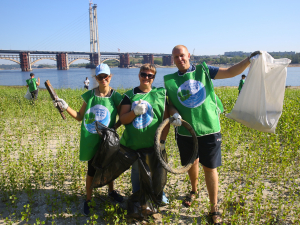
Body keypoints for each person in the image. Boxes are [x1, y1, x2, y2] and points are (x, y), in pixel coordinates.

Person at [164, 45, 260, 224]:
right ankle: (194, 190)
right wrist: (174, 113)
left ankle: (213, 206)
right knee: (191, 163)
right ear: (173, 59)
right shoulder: (169, 80)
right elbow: (169, 104)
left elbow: (231, 71)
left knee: (210, 168)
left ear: (189, 55)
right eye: (176, 57)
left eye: (182, 55)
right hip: (185, 131)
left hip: (209, 128)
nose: (180, 59)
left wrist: (248, 59)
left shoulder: (204, 70)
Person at [53, 63, 124, 216]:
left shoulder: (116, 97)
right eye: (100, 77)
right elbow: (79, 117)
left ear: (110, 77)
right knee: (91, 170)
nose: (103, 79)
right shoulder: (90, 95)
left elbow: (122, 118)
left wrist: (114, 128)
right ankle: (88, 199)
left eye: (106, 76)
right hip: (91, 139)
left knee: (109, 168)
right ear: (95, 78)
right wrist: (65, 106)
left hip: (107, 141)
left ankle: (111, 192)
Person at [119, 63, 170, 206]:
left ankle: (158, 193)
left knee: (157, 169)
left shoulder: (160, 94)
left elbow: (166, 119)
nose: (146, 78)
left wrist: (163, 140)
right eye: (143, 74)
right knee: (137, 171)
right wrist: (134, 112)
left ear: (154, 78)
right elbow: (123, 119)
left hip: (154, 141)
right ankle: (138, 195)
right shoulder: (129, 95)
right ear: (139, 75)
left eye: (150, 75)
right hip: (135, 143)